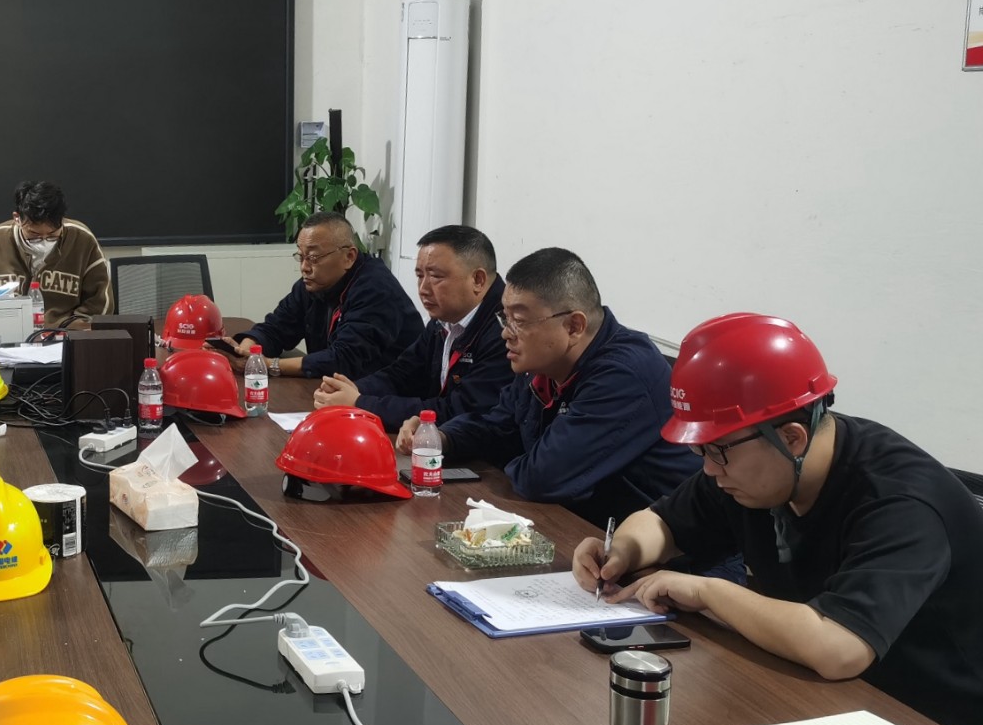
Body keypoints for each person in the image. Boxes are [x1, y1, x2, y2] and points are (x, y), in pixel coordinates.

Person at [574, 313, 983, 725]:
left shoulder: (901, 503)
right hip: (820, 696)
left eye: (717, 451)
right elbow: (662, 521)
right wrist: (622, 551)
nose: (709, 469)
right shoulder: (754, 464)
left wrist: (710, 592)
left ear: (791, 438)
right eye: (700, 450)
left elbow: (839, 648)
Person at [420, 247, 698, 527]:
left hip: (664, 545)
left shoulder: (624, 374)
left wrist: (513, 458)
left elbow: (542, 479)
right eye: (505, 318)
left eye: (519, 321)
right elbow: (497, 426)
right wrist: (444, 438)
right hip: (583, 526)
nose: (505, 332)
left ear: (574, 326)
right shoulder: (542, 365)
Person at [313, 224, 509, 429]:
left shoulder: (505, 331)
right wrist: (351, 389)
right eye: (420, 276)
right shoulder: (443, 320)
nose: (423, 289)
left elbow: (459, 411)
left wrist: (360, 403)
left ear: (478, 280)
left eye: (436, 276)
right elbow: (402, 374)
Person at [225, 211, 421, 380]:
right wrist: (247, 349)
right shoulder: (313, 284)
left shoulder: (376, 289)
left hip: (390, 398)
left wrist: (270, 365)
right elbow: (277, 327)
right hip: (336, 390)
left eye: (313, 257)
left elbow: (344, 359)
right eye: (301, 256)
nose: (304, 267)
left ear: (349, 257)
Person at [0, 180, 112, 328]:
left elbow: (100, 303)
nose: (43, 242)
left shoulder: (82, 240)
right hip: (7, 334)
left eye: (52, 235)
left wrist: (72, 329)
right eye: (34, 235)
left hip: (67, 334)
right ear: (17, 218)